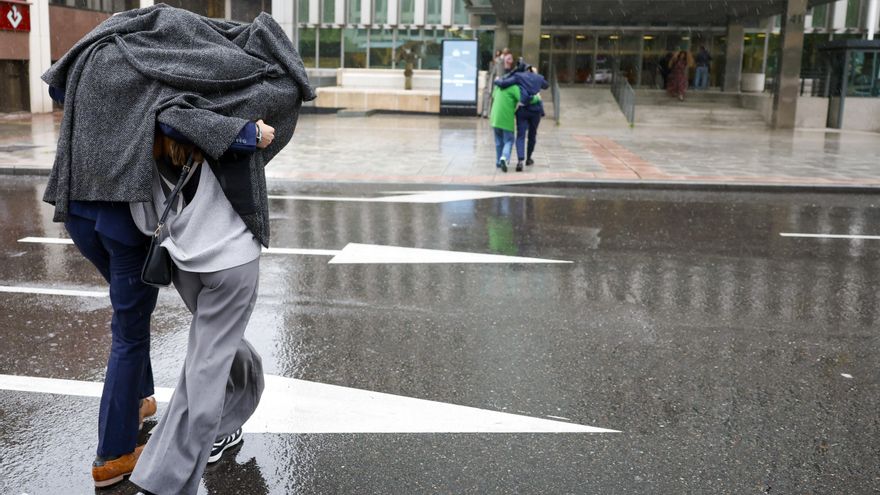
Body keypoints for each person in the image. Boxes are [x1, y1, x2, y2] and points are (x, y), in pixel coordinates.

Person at [40, 5, 314, 492]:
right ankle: (137, 466)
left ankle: (156, 403)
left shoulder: (134, 102)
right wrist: (245, 132)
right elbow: (263, 107)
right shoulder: (215, 130)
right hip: (190, 250)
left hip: (131, 235)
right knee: (166, 351)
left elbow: (165, 114)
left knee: (205, 343)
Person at [494, 63, 548, 171]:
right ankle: (528, 158)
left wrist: (496, 81)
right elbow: (546, 85)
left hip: (522, 111)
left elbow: (504, 83)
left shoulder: (519, 78)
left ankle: (519, 162)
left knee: (520, 136)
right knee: (532, 135)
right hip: (535, 111)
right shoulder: (538, 78)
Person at [489, 77, 519, 172]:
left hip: (495, 118)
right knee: (509, 140)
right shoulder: (514, 87)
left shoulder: (498, 87)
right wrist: (535, 98)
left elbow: (494, 96)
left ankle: (498, 162)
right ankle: (504, 158)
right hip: (506, 118)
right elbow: (522, 98)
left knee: (498, 141)